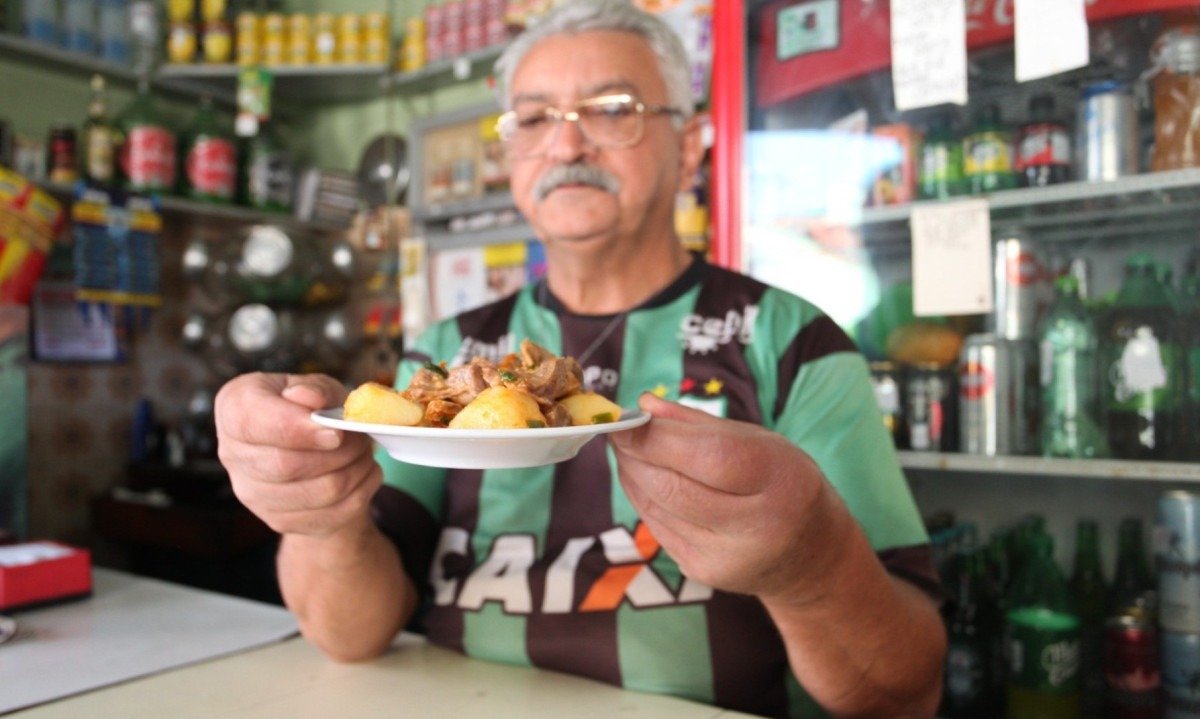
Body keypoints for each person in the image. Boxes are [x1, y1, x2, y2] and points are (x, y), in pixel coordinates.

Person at [214, 1, 947, 716]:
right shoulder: (443, 356)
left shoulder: (792, 342)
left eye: (613, 109)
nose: (566, 147)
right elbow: (350, 636)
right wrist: (321, 510)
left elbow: (905, 692)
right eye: (534, 119)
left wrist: (811, 562)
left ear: (689, 146)